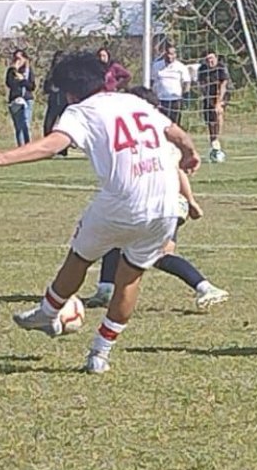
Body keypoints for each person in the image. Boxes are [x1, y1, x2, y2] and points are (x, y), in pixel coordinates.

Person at [0, 50, 202, 376]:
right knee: (131, 277)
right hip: (167, 205)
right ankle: (100, 354)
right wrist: (190, 153)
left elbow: (51, 145)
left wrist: (4, 157)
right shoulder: (135, 101)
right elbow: (177, 133)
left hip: (122, 202)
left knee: (80, 258)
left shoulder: (79, 111)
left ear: (70, 92)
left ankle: (48, 310)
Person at [85, 82, 228, 311]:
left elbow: (177, 170)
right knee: (117, 239)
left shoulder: (158, 136)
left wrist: (191, 202)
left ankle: (206, 287)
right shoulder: (141, 133)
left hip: (165, 203)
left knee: (157, 253)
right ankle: (105, 289)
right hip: (150, 201)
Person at [197, 49, 230, 161]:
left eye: (211, 58)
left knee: (218, 113)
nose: (210, 61)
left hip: (221, 94)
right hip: (208, 95)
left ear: (216, 58)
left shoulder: (221, 68)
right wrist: (207, 97)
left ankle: (216, 141)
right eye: (207, 59)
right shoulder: (202, 69)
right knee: (210, 121)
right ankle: (213, 142)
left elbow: (223, 85)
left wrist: (218, 103)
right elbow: (201, 85)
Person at [151, 40, 192, 125]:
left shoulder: (181, 67)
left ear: (176, 54)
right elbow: (152, 81)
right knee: (161, 124)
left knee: (174, 124)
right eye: (168, 53)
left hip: (175, 100)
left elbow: (186, 83)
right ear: (164, 53)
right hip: (161, 100)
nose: (170, 56)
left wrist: (185, 96)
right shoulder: (156, 66)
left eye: (172, 54)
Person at [5, 48, 36, 146]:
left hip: (27, 100)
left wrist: (23, 80)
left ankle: (28, 146)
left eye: (19, 58)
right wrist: (14, 70)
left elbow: (31, 87)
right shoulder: (11, 71)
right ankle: (21, 147)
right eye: (15, 59)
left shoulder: (28, 71)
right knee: (18, 125)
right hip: (15, 100)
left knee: (25, 123)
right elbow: (10, 84)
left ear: (25, 59)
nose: (17, 61)